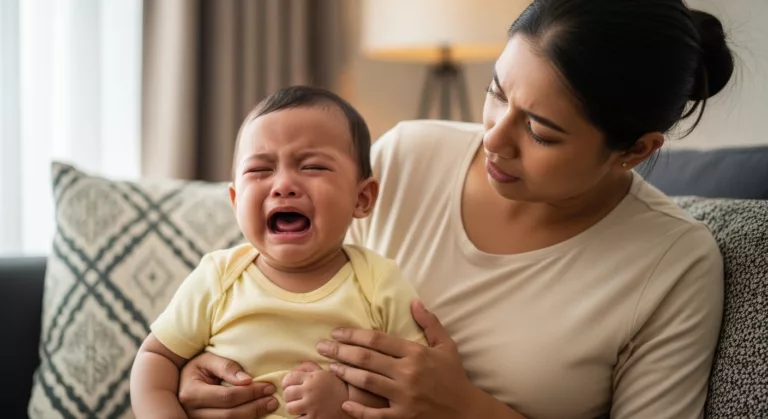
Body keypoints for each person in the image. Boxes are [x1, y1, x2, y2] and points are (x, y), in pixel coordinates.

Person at [175, 0, 735, 418]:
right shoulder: (407, 157)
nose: (494, 138)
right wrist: (196, 369)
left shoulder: (673, 263)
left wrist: (466, 408)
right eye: (496, 92)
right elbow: (272, 294)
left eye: (540, 131)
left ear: (636, 150)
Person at [130, 86, 427, 419]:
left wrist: (347, 400)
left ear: (362, 198)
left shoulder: (379, 282)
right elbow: (155, 360)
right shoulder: (218, 277)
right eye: (260, 170)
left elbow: (418, 388)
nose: (283, 184)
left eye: (313, 166)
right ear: (235, 201)